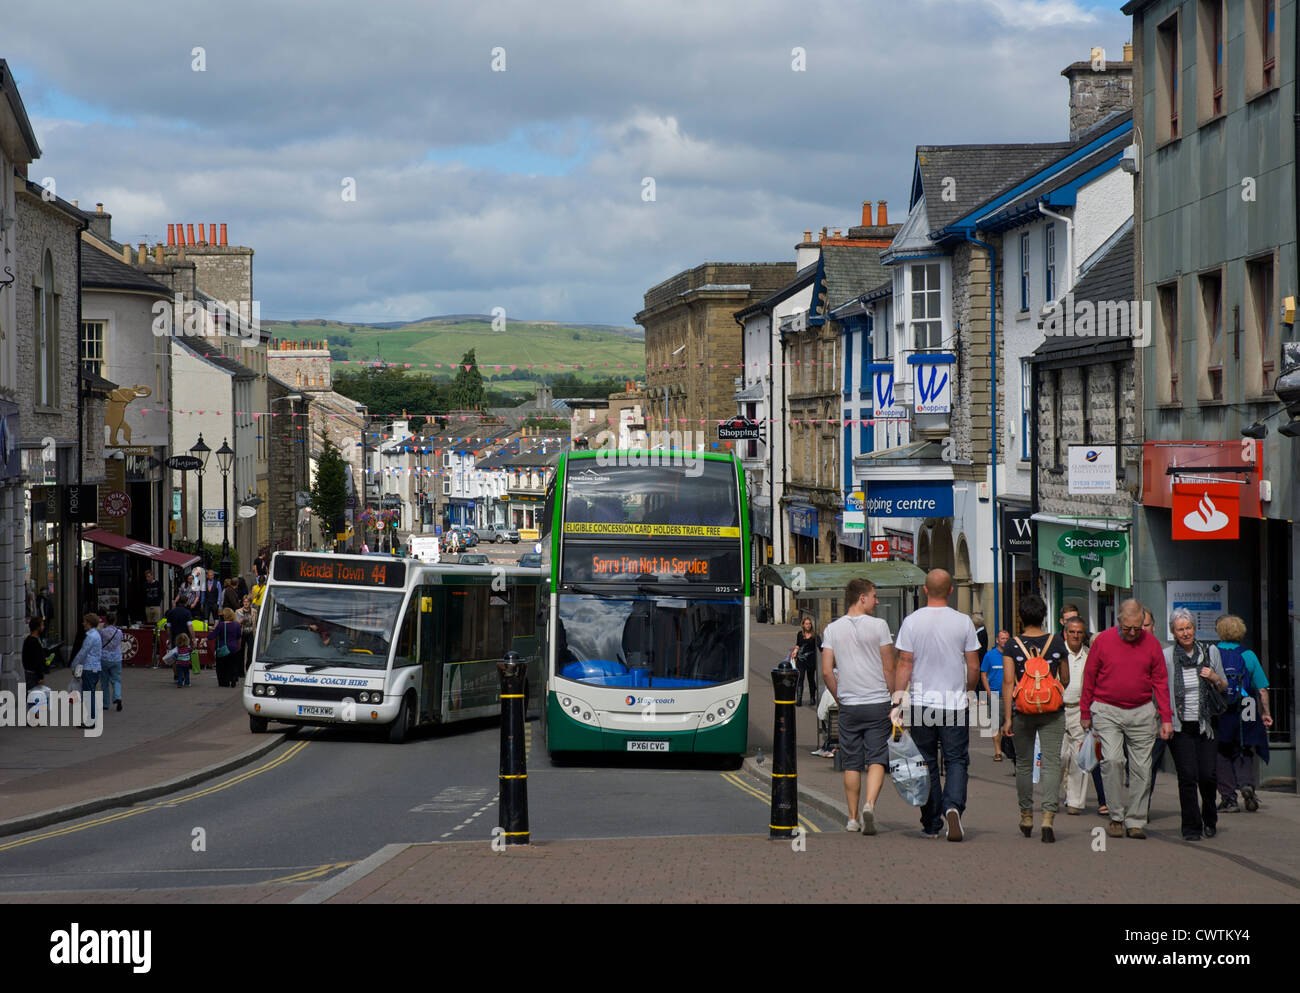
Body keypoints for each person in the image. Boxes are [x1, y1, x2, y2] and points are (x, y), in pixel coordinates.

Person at [893, 569, 981, 841]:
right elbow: (973, 664)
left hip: (921, 704)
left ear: (925, 589)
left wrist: (898, 697)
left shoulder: (911, 621)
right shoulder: (963, 622)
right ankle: (953, 806)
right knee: (956, 760)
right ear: (952, 591)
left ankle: (932, 823)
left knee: (926, 762)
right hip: (953, 704)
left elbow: (905, 662)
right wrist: (968, 690)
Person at [1080, 599, 1172, 839]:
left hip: (1142, 710)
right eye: (1127, 628)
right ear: (1118, 621)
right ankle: (1116, 816)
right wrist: (1085, 712)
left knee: (1142, 767)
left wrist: (1166, 718)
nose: (1132, 633)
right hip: (1106, 709)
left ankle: (1136, 820)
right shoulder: (1103, 641)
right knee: (1111, 760)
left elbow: (1160, 681)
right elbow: (1089, 677)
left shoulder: (1151, 644)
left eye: (1137, 628)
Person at [821, 578, 897, 834]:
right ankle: (870, 805)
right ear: (861, 597)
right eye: (873, 596)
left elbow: (826, 672)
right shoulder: (880, 626)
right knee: (877, 758)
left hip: (850, 705)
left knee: (851, 762)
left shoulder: (832, 629)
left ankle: (852, 818)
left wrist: (840, 697)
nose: (877, 601)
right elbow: (889, 667)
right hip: (877, 701)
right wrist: (894, 698)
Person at [1001, 594, 1069, 842]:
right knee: (1051, 763)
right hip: (1052, 711)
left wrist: (1007, 718)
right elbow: (1066, 678)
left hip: (1022, 711)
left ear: (1021, 618)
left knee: (1024, 764)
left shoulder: (1012, 645)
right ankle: (1048, 818)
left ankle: (1027, 815)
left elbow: (1008, 683)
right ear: (1044, 616)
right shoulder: (1057, 642)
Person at [1164, 608, 1228, 841]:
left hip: (1206, 724)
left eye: (1188, 627)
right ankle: (1191, 826)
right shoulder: (1168, 656)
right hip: (1181, 726)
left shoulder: (1210, 652)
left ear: (1194, 628)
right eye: (1180, 629)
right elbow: (1161, 689)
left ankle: (1209, 819)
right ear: (1174, 632)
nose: (1185, 633)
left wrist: (1213, 677)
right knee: (1188, 776)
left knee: (1208, 775)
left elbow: (1224, 686)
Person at [1214, 614, 1272, 813]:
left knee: (1221, 752)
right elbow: (1262, 689)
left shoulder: (1214, 653)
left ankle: (1229, 797)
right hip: (1246, 707)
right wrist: (1266, 713)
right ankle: (1247, 784)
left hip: (1222, 709)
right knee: (1245, 748)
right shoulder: (1248, 655)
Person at [1060, 617, 1108, 816]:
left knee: (1079, 757)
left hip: (1082, 711)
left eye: (1079, 632)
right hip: (1058, 710)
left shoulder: (1091, 655)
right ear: (1065, 633)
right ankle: (1053, 796)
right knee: (1060, 756)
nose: (1076, 635)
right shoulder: (1058, 654)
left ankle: (1075, 802)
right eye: (1072, 632)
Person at [980, 630, 1011, 763]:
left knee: (1010, 724)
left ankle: (1010, 750)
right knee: (995, 725)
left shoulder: (1012, 655)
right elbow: (983, 674)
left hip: (1010, 696)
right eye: (1002, 638)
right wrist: (988, 691)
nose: (1004, 640)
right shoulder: (989, 655)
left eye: (1007, 638)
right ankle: (998, 751)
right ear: (997, 640)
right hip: (995, 695)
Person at [71, 613, 104, 725]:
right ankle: (92, 718)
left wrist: (74, 665)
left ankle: (91, 720)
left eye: (85, 621)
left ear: (89, 623)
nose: (83, 623)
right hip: (95, 667)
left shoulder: (91, 636)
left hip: (89, 668)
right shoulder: (96, 635)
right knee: (90, 694)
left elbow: (82, 653)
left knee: (88, 695)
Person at [99, 610, 125, 713]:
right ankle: (117, 697)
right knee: (116, 680)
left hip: (104, 658)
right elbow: (121, 641)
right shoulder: (119, 632)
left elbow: (100, 642)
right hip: (116, 658)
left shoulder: (102, 632)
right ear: (115, 621)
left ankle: (106, 703)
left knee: (104, 682)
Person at [793, 616, 821, 707]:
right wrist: (794, 652)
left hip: (811, 660)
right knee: (800, 678)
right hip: (801, 660)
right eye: (806, 624)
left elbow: (821, 647)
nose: (808, 625)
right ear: (803, 625)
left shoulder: (815, 636)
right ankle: (799, 699)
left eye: (809, 624)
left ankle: (812, 698)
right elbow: (798, 645)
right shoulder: (800, 634)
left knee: (811, 679)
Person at [213, 607, 243, 687]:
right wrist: (238, 647)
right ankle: (233, 678)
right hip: (233, 647)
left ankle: (224, 682)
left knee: (221, 666)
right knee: (233, 665)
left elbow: (214, 635)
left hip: (223, 648)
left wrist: (205, 639)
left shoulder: (221, 625)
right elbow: (239, 638)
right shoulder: (237, 625)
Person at [23, 616, 48, 689]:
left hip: (31, 673)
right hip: (33, 675)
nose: (43, 627)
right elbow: (36, 660)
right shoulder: (33, 642)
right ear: (37, 627)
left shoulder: (30, 640)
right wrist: (40, 676)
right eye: (42, 625)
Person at [237, 594, 257, 672]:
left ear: (250, 603)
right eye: (244, 602)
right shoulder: (238, 611)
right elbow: (236, 623)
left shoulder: (254, 611)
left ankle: (248, 669)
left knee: (250, 652)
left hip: (251, 633)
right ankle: (240, 671)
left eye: (247, 602)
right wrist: (239, 621)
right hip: (242, 633)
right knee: (241, 652)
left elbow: (256, 622)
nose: (245, 603)